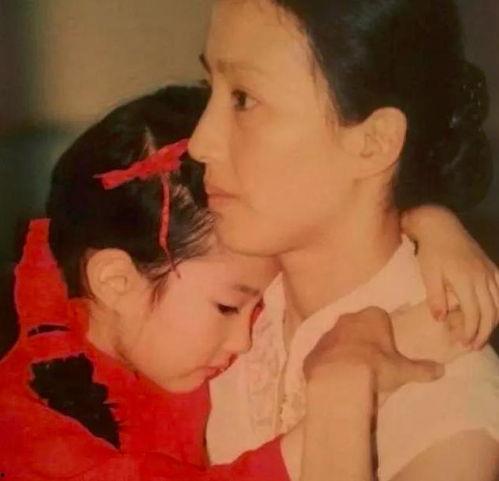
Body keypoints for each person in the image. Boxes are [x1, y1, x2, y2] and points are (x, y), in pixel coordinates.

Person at [0, 84, 448, 481]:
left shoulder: (167, 343)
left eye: (257, 308)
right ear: (116, 280)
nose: (244, 341)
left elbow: (326, 225)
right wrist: (340, 400)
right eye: (228, 307)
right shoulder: (22, 427)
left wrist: (429, 224)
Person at [188, 0, 499, 480]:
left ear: (374, 142)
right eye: (210, 88)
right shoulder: (216, 287)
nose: (198, 143)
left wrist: (341, 388)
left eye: (244, 99)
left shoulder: (450, 420)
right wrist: (427, 216)